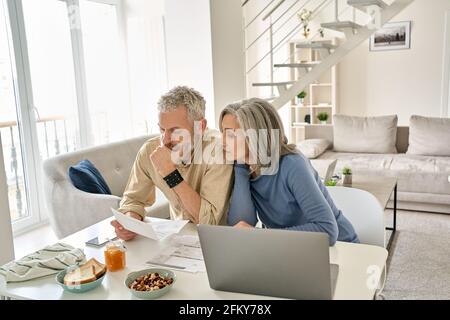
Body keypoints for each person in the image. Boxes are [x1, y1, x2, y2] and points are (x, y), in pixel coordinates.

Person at [220, 98, 359, 246]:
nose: (221, 141)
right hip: (293, 251)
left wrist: (261, 235)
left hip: (341, 249)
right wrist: (240, 168)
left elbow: (327, 230)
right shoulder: (245, 168)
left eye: (230, 135)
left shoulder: (292, 164)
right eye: (222, 132)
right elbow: (240, 227)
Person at [112, 86, 234, 241]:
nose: (165, 140)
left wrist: (171, 174)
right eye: (162, 130)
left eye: (175, 131)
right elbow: (133, 199)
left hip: (219, 241)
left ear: (200, 127)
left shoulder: (218, 151)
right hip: (178, 240)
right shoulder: (151, 150)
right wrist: (131, 220)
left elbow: (207, 221)